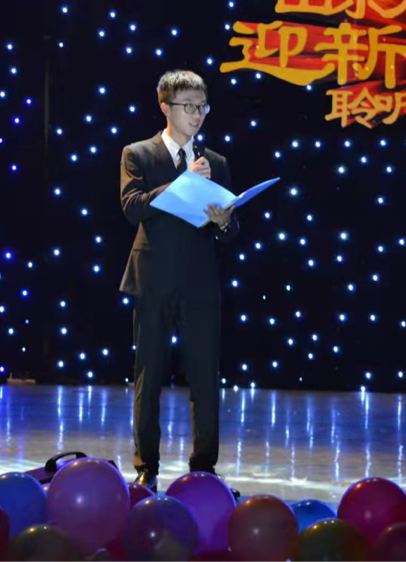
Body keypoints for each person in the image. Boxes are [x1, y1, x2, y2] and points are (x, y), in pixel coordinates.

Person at [119, 70, 239, 492]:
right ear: (165, 106)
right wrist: (182, 184)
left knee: (205, 378)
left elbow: (230, 228)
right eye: (188, 106)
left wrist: (224, 222)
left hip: (201, 283)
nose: (197, 114)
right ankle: (146, 466)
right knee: (148, 376)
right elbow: (132, 207)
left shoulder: (216, 162)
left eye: (202, 106)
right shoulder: (138, 153)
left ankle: (204, 467)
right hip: (153, 279)